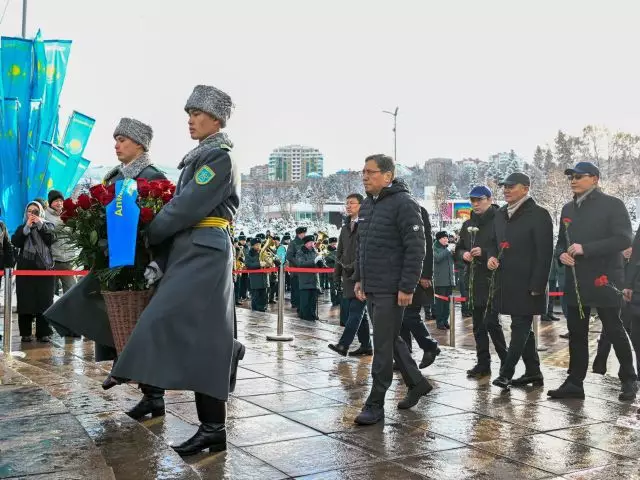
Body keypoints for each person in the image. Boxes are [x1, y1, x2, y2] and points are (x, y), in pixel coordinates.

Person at [112, 84, 245, 456]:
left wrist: (149, 231)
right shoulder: (201, 157)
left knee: (166, 319)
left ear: (215, 119)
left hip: (206, 251)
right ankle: (211, 428)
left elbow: (187, 207)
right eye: (188, 114)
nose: (190, 120)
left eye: (196, 114)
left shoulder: (218, 158)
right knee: (203, 338)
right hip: (193, 250)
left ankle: (135, 373)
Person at [44, 117, 167, 394]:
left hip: (138, 261)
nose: (116, 145)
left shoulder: (152, 177)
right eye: (116, 139)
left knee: (141, 327)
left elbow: (159, 220)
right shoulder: (113, 177)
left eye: (122, 140)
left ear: (139, 143)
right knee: (110, 316)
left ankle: (152, 393)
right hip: (111, 258)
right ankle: (122, 365)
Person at [353, 154, 432, 425]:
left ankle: (375, 403)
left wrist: (407, 286)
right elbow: (363, 247)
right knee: (389, 338)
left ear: (388, 176)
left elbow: (416, 247)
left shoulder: (404, 203)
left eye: (371, 172)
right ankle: (417, 382)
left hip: (392, 287)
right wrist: (360, 278)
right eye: (363, 171)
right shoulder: (366, 206)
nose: (365, 176)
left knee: (383, 346)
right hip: (373, 285)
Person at [548, 162, 638, 401]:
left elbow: (623, 239)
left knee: (613, 329)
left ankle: (629, 378)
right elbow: (560, 242)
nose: (573, 181)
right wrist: (562, 254)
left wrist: (585, 249)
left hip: (604, 278)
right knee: (576, 332)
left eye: (579, 176)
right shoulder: (567, 208)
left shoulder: (612, 205)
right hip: (575, 280)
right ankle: (575, 381)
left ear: (595, 178)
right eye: (571, 177)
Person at [488, 172, 553, 390]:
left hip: (528, 284)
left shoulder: (539, 214)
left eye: (511, 186)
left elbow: (545, 254)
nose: (505, 189)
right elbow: (492, 243)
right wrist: (490, 257)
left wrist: (538, 285)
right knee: (523, 330)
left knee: (520, 327)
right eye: (504, 186)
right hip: (505, 282)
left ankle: (506, 373)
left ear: (525, 188)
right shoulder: (500, 215)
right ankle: (534, 372)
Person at [456, 186, 507, 378]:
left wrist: (485, 253)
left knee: (492, 322)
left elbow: (504, 247)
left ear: (489, 199)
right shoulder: (467, 224)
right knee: (478, 324)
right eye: (473, 200)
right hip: (474, 279)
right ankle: (483, 363)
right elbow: (459, 249)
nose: (476, 204)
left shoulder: (499, 220)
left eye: (480, 199)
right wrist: (465, 255)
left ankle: (505, 362)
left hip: (493, 278)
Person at [329, 193, 371, 356]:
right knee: (360, 313)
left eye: (352, 203)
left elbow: (366, 252)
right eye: (346, 203)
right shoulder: (345, 227)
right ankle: (366, 346)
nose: (348, 206)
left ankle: (343, 345)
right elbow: (340, 252)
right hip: (347, 276)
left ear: (361, 205)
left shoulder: (366, 225)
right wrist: (336, 274)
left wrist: (354, 268)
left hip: (361, 276)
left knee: (355, 311)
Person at [401, 206, 440, 369]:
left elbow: (426, 245)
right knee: (401, 317)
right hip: (401, 272)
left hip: (416, 273)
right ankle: (404, 355)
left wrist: (426, 274)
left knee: (410, 314)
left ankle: (429, 346)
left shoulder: (416, 210)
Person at [12, 201, 56, 342]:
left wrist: (40, 224)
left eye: (35, 211)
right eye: (29, 211)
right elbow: (16, 242)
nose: (32, 214)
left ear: (41, 212)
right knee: (25, 302)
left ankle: (43, 332)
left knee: (44, 302)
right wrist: (27, 228)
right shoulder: (22, 228)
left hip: (44, 270)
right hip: (26, 271)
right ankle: (25, 333)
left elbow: (51, 239)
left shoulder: (48, 226)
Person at [46, 190, 78, 298]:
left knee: (72, 291)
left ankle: (70, 314)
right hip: (52, 261)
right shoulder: (45, 215)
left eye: (60, 200)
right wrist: (61, 222)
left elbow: (75, 233)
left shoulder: (68, 213)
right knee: (51, 294)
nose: (59, 203)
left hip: (68, 260)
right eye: (56, 201)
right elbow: (47, 234)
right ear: (50, 202)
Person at [295, 235, 324, 321]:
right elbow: (301, 263)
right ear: (306, 243)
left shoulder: (314, 251)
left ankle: (312, 315)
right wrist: (314, 261)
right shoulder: (300, 252)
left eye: (313, 242)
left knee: (313, 300)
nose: (313, 244)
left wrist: (320, 261)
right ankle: (304, 316)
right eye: (311, 242)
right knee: (305, 301)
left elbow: (318, 265)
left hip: (314, 279)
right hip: (305, 280)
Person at [433, 231, 455, 330]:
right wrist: (448, 250)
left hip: (449, 280)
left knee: (447, 304)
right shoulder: (434, 248)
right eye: (444, 238)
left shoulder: (447, 248)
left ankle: (445, 320)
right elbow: (437, 258)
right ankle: (439, 322)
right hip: (440, 281)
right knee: (440, 303)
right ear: (439, 239)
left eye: (447, 238)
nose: (446, 240)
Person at [286, 226, 307, 314]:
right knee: (295, 287)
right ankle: (295, 302)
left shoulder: (304, 242)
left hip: (303, 269)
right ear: (299, 233)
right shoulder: (293, 243)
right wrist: (298, 263)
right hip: (295, 270)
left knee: (300, 287)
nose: (304, 235)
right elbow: (289, 256)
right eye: (303, 233)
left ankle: (299, 302)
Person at [245, 238, 269, 312]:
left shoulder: (263, 252)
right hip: (255, 280)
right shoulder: (249, 254)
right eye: (257, 245)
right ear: (252, 246)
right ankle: (256, 313)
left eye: (260, 244)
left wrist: (268, 263)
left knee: (264, 296)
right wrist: (259, 264)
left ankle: (263, 309)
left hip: (264, 278)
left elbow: (268, 262)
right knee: (256, 297)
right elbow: (249, 265)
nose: (259, 246)